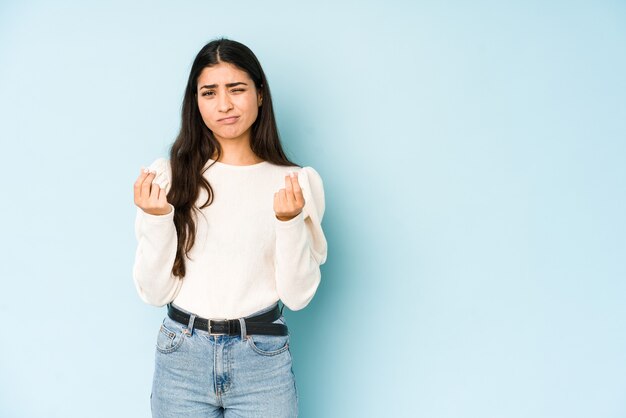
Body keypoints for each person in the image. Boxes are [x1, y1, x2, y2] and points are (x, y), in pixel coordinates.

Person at [131, 38, 327, 418]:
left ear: (260, 94)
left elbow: (298, 296)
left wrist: (288, 224)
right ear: (196, 102)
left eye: (237, 89)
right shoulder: (169, 175)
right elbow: (155, 293)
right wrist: (157, 219)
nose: (224, 105)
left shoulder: (295, 182)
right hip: (181, 357)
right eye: (210, 92)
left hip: (262, 358)